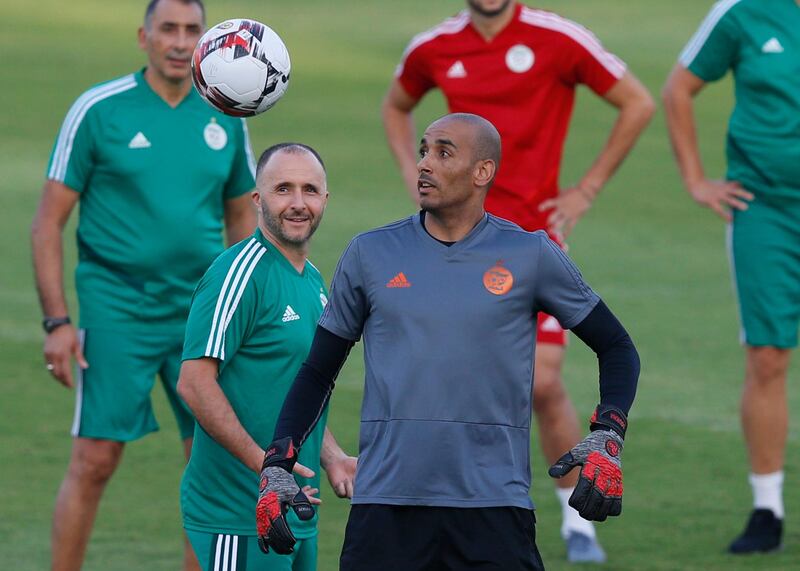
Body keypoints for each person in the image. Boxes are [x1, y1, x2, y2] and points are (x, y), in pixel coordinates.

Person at [256, 113, 640, 570]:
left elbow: (617, 347)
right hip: (385, 508)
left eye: (442, 152)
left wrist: (608, 435)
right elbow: (318, 372)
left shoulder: (530, 254)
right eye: (423, 150)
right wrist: (278, 464)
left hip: (494, 508)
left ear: (482, 172)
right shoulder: (370, 254)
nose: (424, 164)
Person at [381, 1, 654, 561]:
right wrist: (415, 173)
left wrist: (586, 188)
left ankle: (576, 521)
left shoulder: (558, 38)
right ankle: (453, 506)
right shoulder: (435, 47)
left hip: (533, 245)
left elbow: (638, 102)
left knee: (544, 382)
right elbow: (396, 105)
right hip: (455, 246)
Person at [30, 1, 257, 569]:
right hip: (117, 305)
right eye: (169, 30)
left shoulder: (226, 112)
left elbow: (243, 221)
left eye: (192, 31)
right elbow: (48, 222)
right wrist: (58, 323)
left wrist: (241, 311)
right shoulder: (99, 110)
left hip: (198, 310)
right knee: (95, 458)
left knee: (207, 461)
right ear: (144, 37)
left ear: (207, 40)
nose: (181, 43)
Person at [176, 143, 357, 571]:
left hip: (295, 512)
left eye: (310, 190)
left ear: (325, 200)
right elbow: (194, 383)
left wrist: (333, 458)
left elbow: (294, 389)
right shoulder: (237, 274)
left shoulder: (313, 282)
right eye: (283, 189)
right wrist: (270, 469)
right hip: (238, 517)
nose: (298, 203)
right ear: (257, 199)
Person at [662, 0, 800, 555]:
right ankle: (767, 506)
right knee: (767, 357)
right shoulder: (743, 12)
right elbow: (678, 89)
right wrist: (696, 180)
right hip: (766, 210)